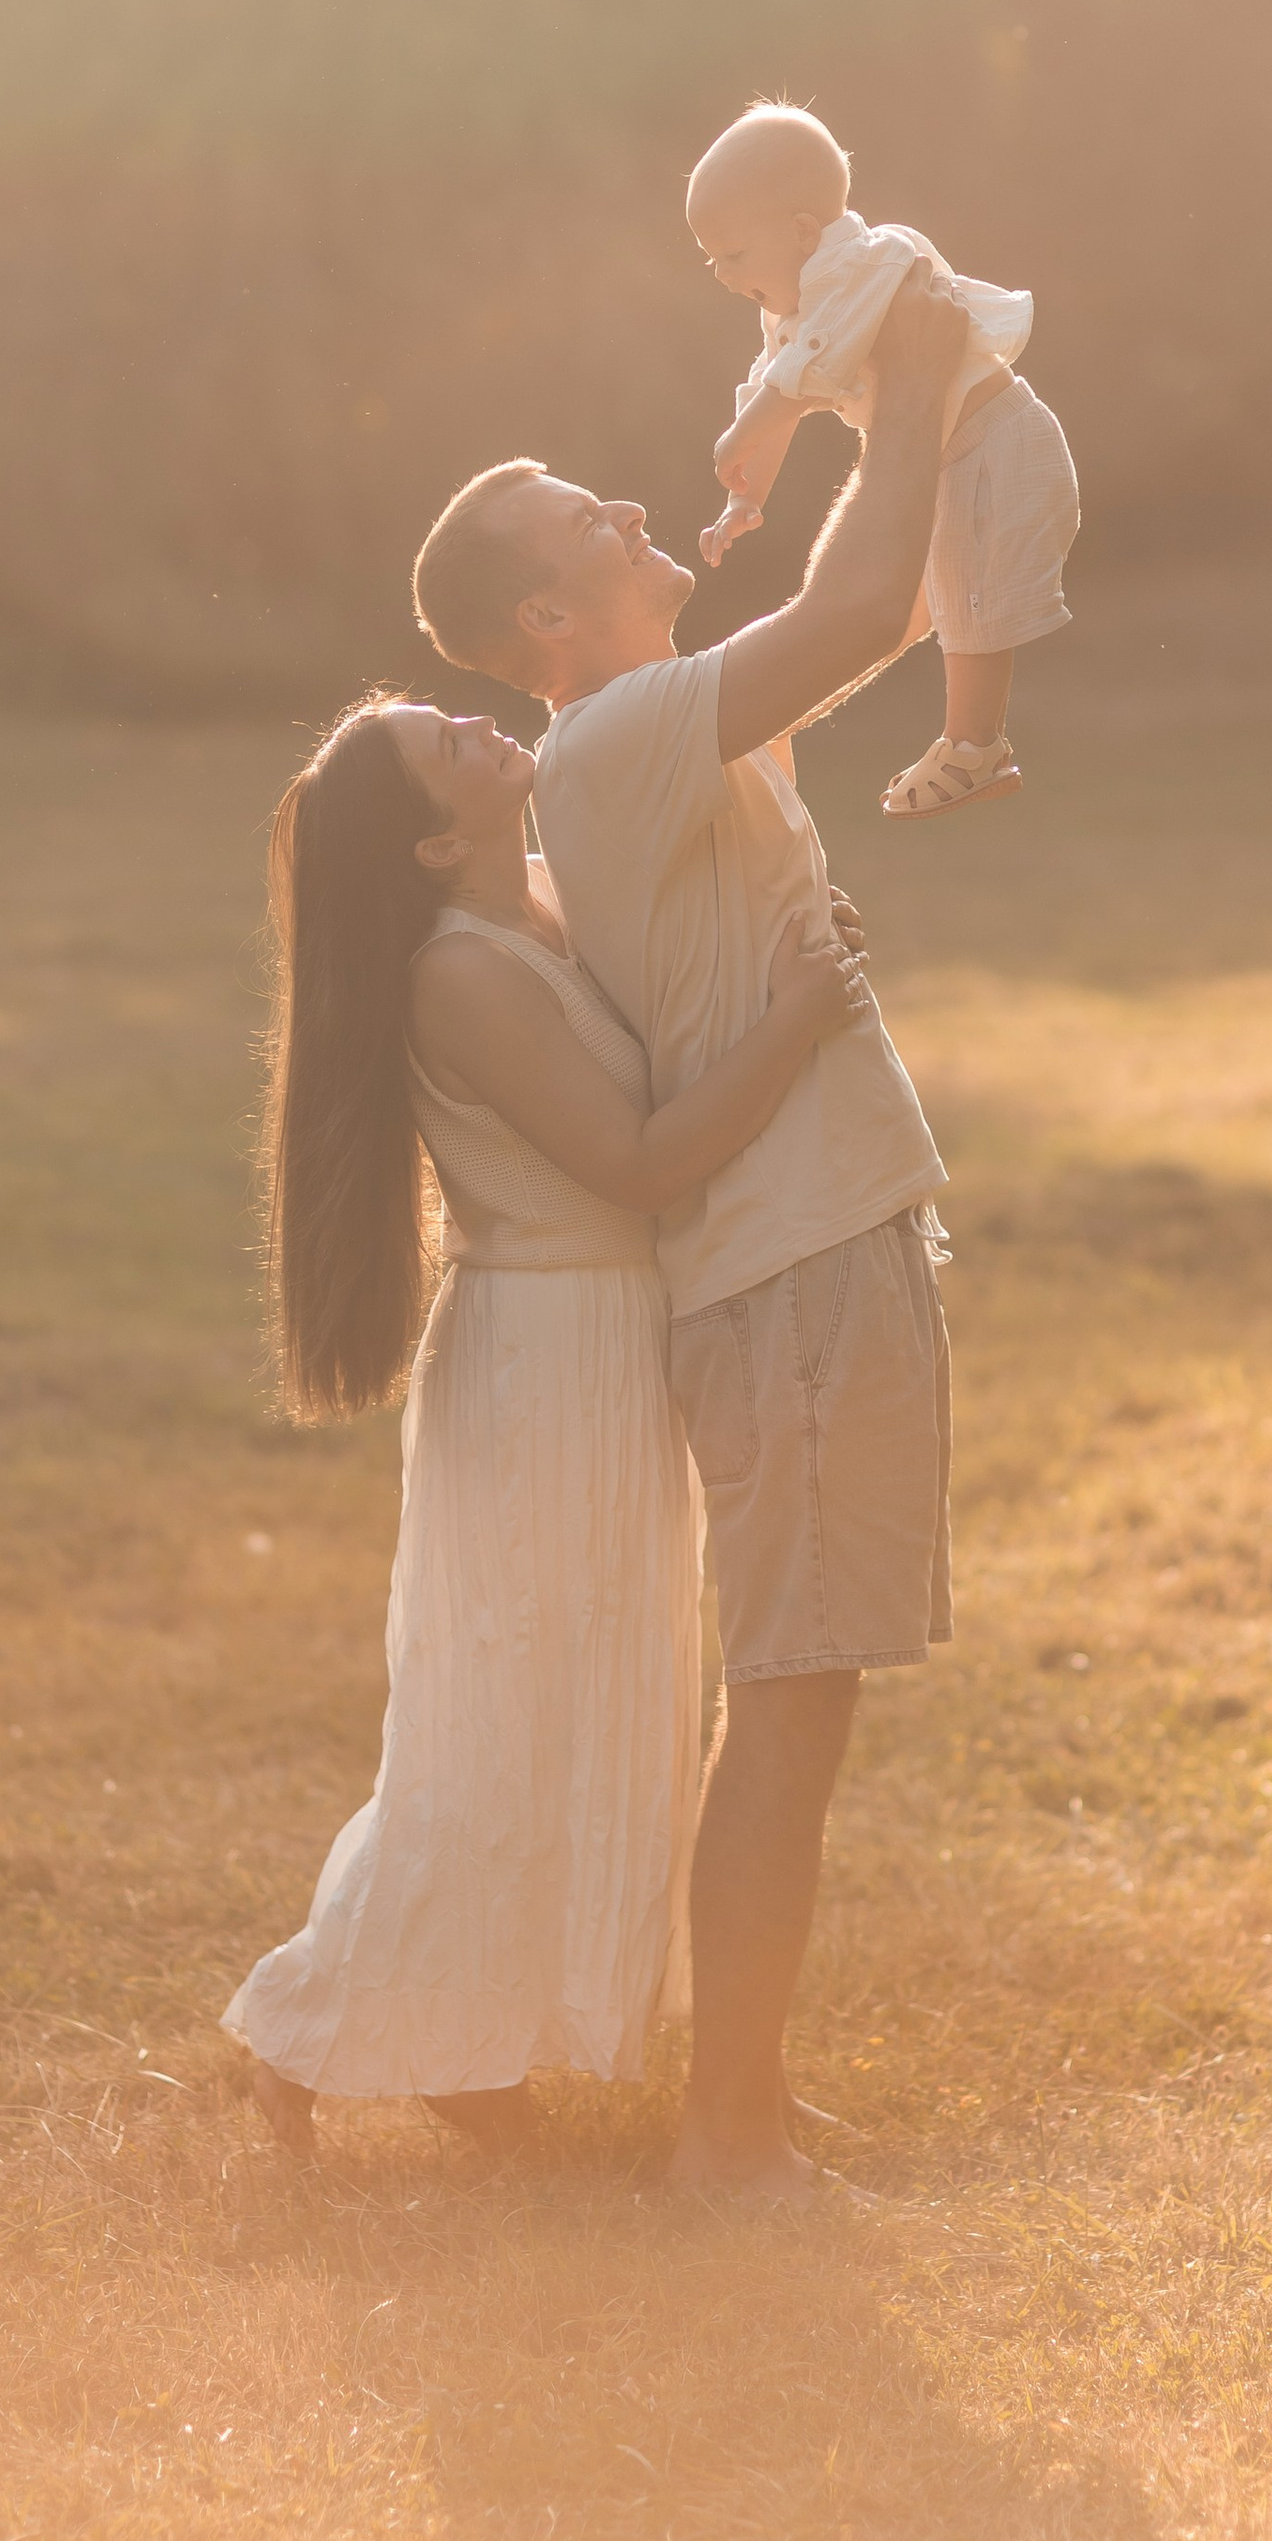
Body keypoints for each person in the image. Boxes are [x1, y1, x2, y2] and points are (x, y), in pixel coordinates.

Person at [408, 261, 971, 2202]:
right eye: (588, 514)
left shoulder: (650, 729)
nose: (633, 504)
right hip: (793, 1266)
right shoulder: (620, 734)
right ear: (545, 622)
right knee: (792, 1704)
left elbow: (881, 600)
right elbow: (861, 607)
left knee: (806, 1693)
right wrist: (906, 372)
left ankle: (748, 2099)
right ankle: (728, 2136)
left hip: (820, 1245)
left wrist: (861, 399)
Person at [222, 692, 873, 2161]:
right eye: (443, 743)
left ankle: (466, 2039)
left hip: (611, 1347)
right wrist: (796, 1016)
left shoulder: (539, 901)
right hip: (541, 1357)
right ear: (432, 840)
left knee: (577, 1705)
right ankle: (309, 2023)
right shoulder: (460, 973)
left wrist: (781, 947)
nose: (474, 720)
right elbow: (636, 1160)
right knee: (499, 1717)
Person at [687, 101, 1081, 822]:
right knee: (916, 599)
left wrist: (743, 431)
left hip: (993, 440)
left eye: (733, 254)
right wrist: (745, 494)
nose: (719, 273)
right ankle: (781, 716)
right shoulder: (793, 309)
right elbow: (775, 387)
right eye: (709, 258)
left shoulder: (870, 261)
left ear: (803, 231)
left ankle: (975, 745)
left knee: (970, 593)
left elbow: (809, 372)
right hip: (949, 453)